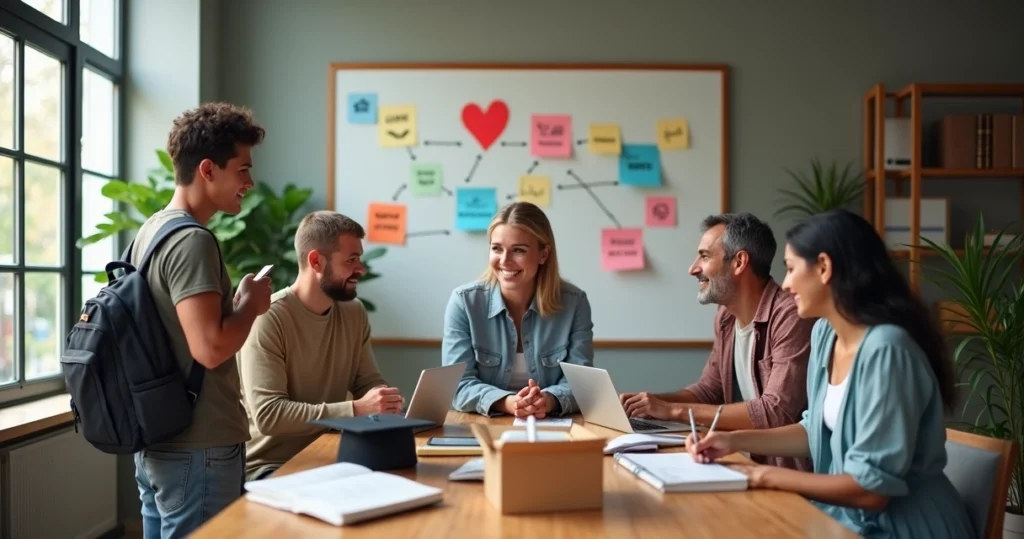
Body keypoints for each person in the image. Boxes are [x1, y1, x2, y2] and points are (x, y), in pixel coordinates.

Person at [688, 209, 975, 539]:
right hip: (846, 520)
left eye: (791, 269)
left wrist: (758, 476)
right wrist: (731, 441)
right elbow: (812, 431)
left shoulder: (887, 349)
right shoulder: (825, 334)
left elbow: (871, 491)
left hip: (904, 528)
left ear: (824, 267)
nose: (786, 284)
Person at [131, 103, 272, 539]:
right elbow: (209, 348)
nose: (249, 183)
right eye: (242, 169)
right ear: (208, 169)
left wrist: (237, 306)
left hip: (160, 439)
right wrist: (251, 305)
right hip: (200, 446)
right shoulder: (192, 241)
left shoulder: (151, 231)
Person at [619, 213, 815, 471]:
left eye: (705, 256)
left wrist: (672, 410)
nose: (693, 269)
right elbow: (709, 392)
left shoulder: (790, 316)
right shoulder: (725, 318)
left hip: (785, 475)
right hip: (739, 461)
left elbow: (775, 412)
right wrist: (648, 404)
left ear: (739, 262)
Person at [238, 211, 403, 481]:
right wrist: (356, 409)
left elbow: (366, 381)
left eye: (359, 259)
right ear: (315, 261)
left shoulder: (353, 312)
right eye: (351, 260)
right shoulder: (268, 317)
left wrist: (385, 400)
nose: (361, 269)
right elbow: (269, 415)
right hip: (270, 467)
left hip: (331, 454)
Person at [442, 201, 594, 418]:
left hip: (550, 424)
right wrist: (509, 403)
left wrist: (548, 401)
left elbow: (582, 385)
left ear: (543, 254)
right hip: (484, 426)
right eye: (497, 249)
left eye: (519, 250)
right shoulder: (464, 302)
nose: (505, 261)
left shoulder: (574, 303)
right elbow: (458, 386)